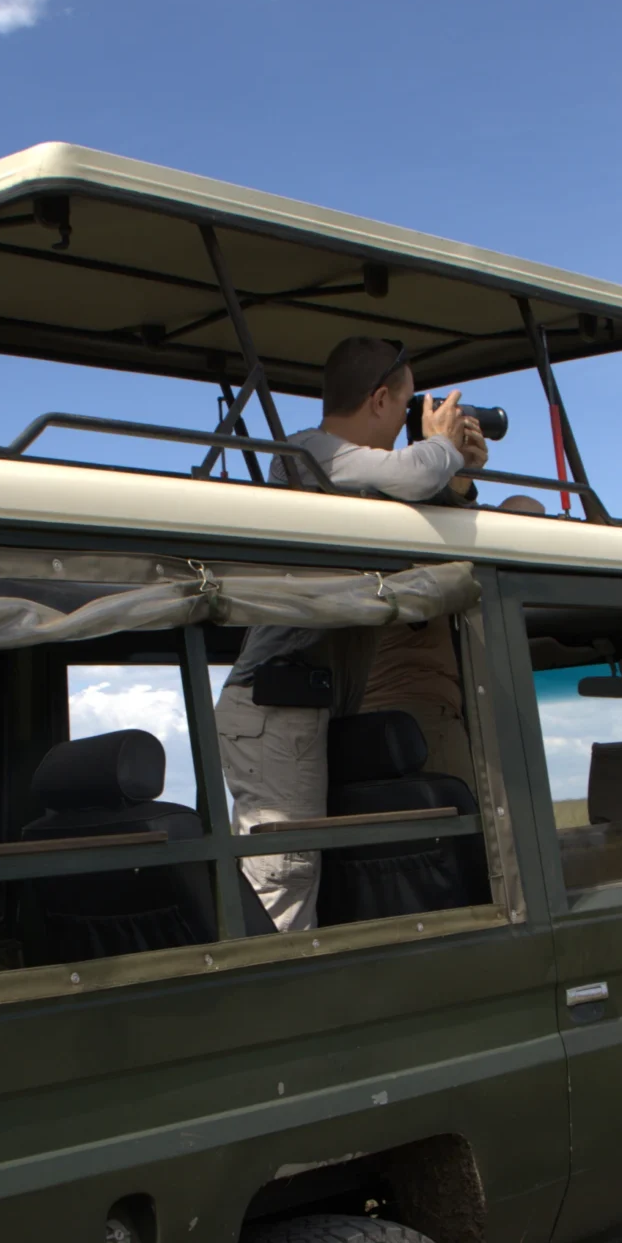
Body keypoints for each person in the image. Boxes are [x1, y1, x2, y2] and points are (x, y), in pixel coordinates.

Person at [216, 338, 487, 931]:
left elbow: (421, 490)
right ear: (381, 398)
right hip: (276, 706)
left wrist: (459, 474)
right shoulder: (312, 455)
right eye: (410, 405)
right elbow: (412, 475)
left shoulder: (353, 477)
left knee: (313, 876)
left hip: (301, 703)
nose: (413, 420)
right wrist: (439, 444)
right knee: (282, 883)